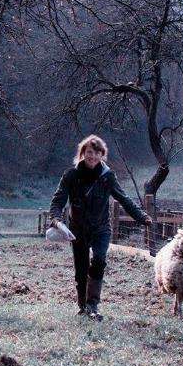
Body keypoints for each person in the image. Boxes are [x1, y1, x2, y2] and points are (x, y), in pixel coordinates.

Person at [49, 135, 152, 321]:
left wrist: (141, 216)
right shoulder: (71, 176)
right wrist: (57, 221)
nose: (93, 157)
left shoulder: (107, 177)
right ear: (82, 153)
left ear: (102, 155)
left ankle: (93, 305)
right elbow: (57, 201)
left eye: (97, 153)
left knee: (99, 258)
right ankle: (82, 306)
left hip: (101, 229)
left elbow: (123, 198)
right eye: (89, 152)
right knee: (80, 270)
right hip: (77, 230)